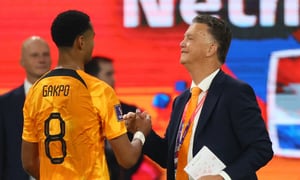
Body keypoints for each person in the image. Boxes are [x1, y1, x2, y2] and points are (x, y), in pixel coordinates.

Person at [124, 15, 273, 180]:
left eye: (190, 38)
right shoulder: (181, 101)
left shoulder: (235, 92)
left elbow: (261, 148)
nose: (181, 43)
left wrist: (223, 177)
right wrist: (143, 133)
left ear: (211, 48)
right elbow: (169, 158)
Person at [21, 10, 151, 180]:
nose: (93, 44)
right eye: (92, 38)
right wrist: (141, 133)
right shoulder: (99, 90)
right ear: (81, 42)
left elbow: (29, 162)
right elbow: (127, 159)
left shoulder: (35, 91)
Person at [0, 36, 51, 180]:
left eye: (45, 54)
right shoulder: (4, 105)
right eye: (35, 55)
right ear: (22, 62)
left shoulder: (66, 100)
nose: (41, 59)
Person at [84, 56, 144, 180]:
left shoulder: (129, 112)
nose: (113, 79)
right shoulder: (79, 112)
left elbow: (137, 156)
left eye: (113, 74)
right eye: (108, 74)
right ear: (94, 79)